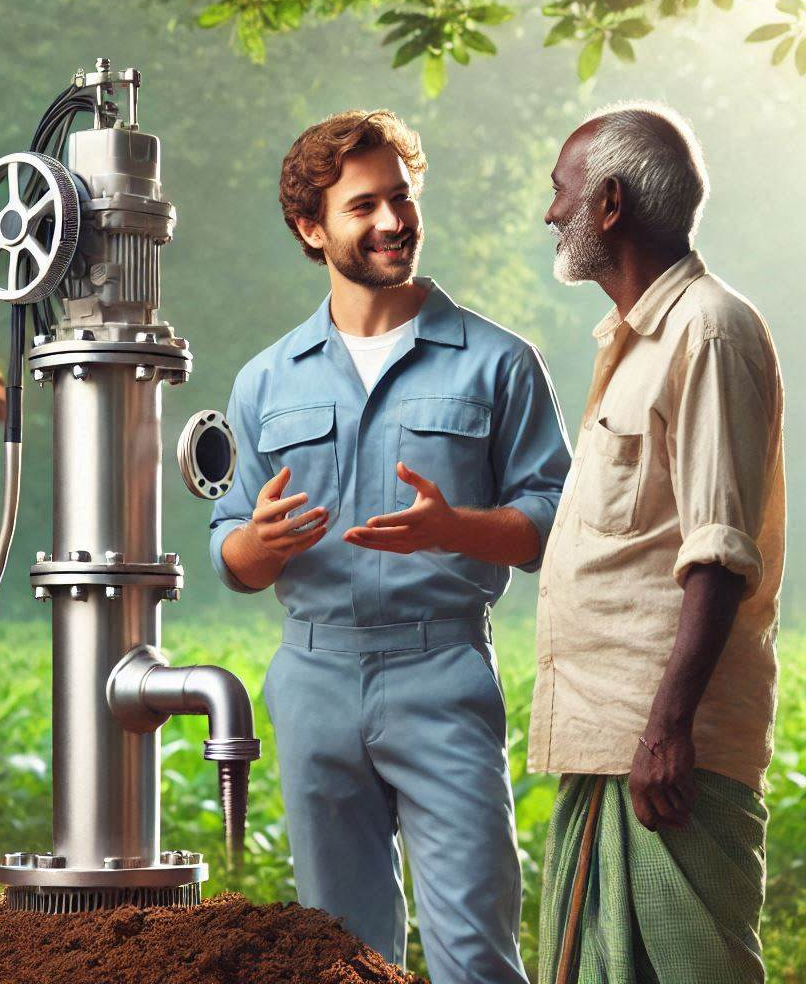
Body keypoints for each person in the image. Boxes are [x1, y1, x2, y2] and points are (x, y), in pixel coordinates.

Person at [209, 109, 571, 984]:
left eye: (401, 199)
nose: (392, 222)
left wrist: (458, 529)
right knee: (339, 954)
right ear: (311, 227)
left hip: (440, 671)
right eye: (363, 206)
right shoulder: (266, 378)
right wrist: (257, 542)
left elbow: (558, 519)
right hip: (311, 678)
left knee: (475, 952)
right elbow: (229, 553)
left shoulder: (498, 362)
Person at [533, 102, 785, 984]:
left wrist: (667, 729)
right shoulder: (640, 338)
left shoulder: (710, 329)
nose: (550, 213)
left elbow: (717, 549)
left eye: (562, 192)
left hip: (666, 753)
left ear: (609, 203)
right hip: (616, 741)